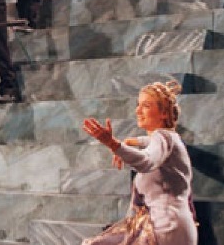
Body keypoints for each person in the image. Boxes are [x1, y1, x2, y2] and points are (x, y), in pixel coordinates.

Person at [82, 81, 198, 245]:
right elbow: (151, 144)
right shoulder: (170, 141)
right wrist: (132, 141)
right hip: (171, 227)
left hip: (167, 229)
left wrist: (113, 144)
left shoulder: (164, 137)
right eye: (138, 104)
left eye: (146, 106)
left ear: (164, 113)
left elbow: (146, 161)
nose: (137, 110)